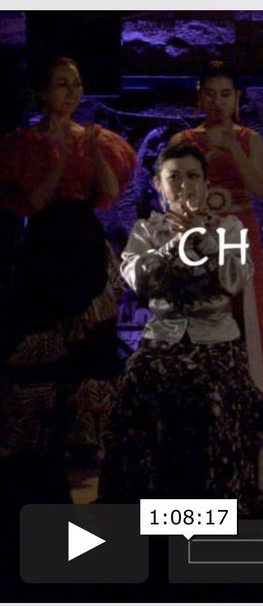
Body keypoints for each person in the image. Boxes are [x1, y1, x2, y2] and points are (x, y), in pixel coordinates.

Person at [98, 143, 263, 518]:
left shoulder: (228, 227)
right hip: (161, 340)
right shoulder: (146, 230)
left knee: (211, 397)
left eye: (193, 176)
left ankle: (214, 506)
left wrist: (204, 239)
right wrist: (173, 246)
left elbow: (235, 279)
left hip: (215, 340)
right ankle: (148, 506)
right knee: (135, 388)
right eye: (174, 177)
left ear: (206, 183)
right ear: (157, 184)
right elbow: (136, 280)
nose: (184, 185)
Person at [0, 57, 135, 482]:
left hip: (84, 245)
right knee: (40, 332)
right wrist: (59, 161)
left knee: (91, 341)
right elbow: (33, 204)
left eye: (76, 83)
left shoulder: (97, 139)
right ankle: (36, 438)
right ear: (44, 91)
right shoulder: (23, 143)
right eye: (62, 84)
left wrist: (93, 155)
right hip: (45, 246)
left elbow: (108, 197)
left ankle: (86, 440)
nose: (72, 92)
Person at [169, 61, 263, 419]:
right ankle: (198, 398)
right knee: (200, 307)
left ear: (237, 97)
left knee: (247, 308)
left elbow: (258, 187)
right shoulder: (183, 141)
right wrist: (207, 154)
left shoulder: (249, 139)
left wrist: (232, 149)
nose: (218, 102)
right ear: (200, 97)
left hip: (240, 226)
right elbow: (175, 192)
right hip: (197, 228)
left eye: (226, 94)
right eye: (211, 94)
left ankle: (251, 397)